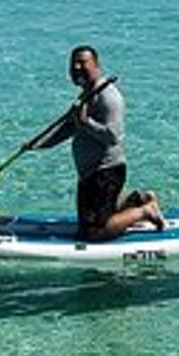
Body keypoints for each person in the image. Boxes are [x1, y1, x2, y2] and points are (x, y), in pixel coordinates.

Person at [34, 45, 166, 240]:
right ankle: (136, 200)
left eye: (83, 63)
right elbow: (68, 128)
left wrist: (86, 122)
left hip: (105, 172)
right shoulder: (87, 94)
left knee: (94, 232)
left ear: (96, 65)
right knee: (86, 225)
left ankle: (145, 211)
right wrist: (38, 144)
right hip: (91, 174)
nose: (77, 68)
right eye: (73, 64)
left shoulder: (109, 97)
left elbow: (114, 136)